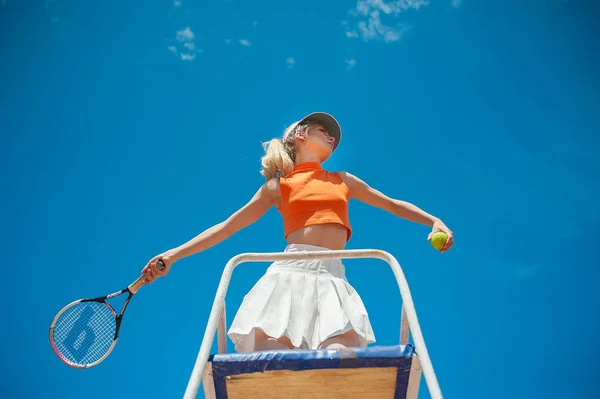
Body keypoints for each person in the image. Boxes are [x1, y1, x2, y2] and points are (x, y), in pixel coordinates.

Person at [141, 112, 454, 353]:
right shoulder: (277, 187)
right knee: (274, 362)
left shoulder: (342, 179)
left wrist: (433, 220)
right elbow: (226, 227)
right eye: (323, 130)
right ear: (301, 135)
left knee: (339, 359)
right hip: (288, 277)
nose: (331, 136)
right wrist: (174, 255)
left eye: (332, 134)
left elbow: (391, 204)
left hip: (333, 278)